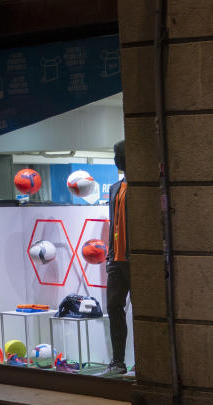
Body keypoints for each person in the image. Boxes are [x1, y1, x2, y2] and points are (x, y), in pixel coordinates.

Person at [101, 140, 129, 376]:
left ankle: (150, 362)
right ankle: (117, 361)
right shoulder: (113, 188)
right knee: (113, 307)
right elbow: (114, 223)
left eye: (118, 154)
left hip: (137, 260)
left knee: (145, 313)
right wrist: (110, 255)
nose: (116, 159)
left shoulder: (142, 187)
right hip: (116, 261)